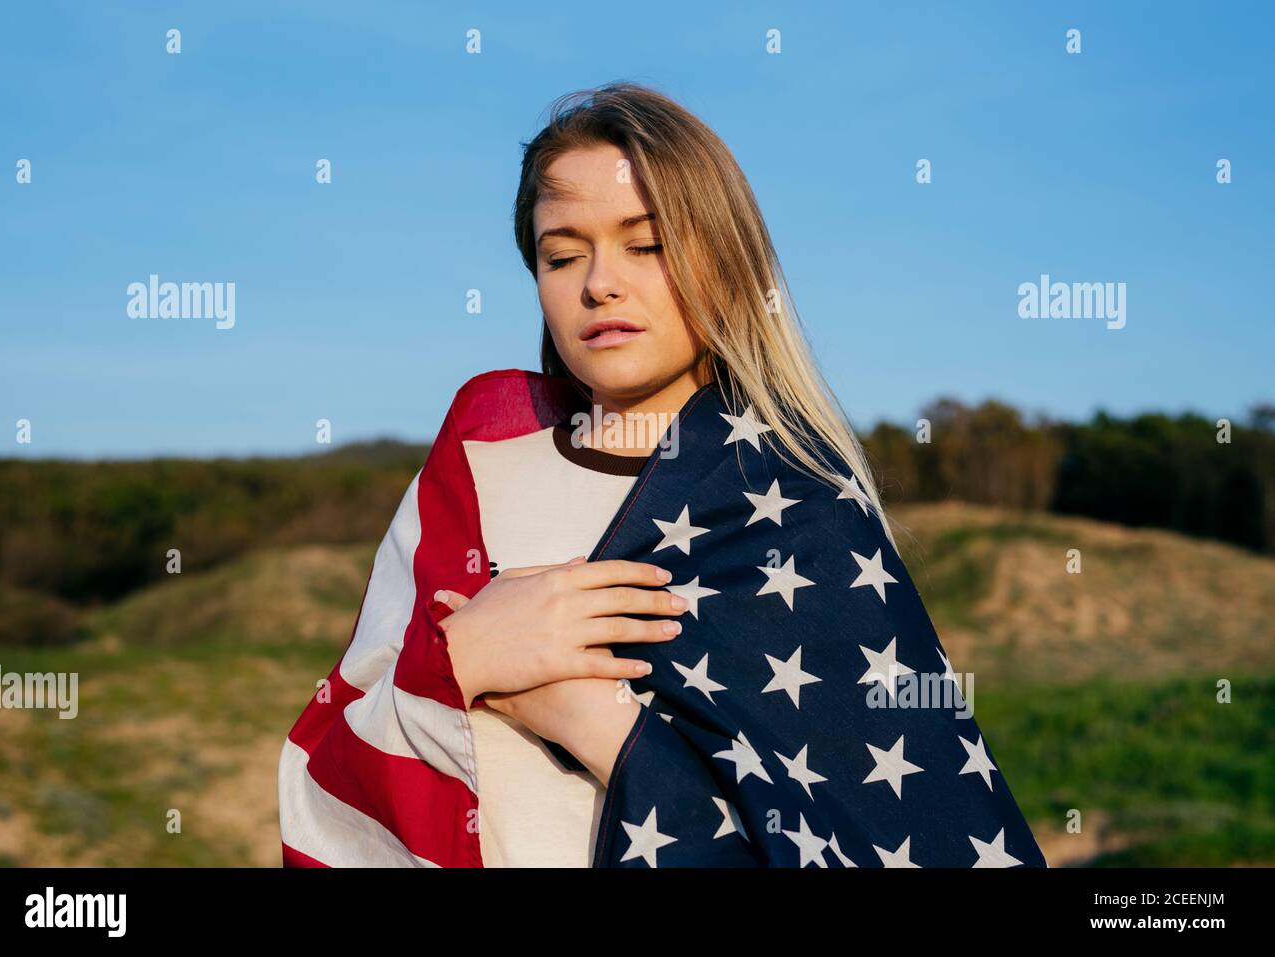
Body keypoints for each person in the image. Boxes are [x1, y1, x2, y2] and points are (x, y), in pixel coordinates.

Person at [278, 81, 1046, 868]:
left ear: (727, 259)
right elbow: (324, 779)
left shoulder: (803, 514)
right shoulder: (475, 472)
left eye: (645, 244)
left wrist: (600, 726)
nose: (599, 282)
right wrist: (462, 659)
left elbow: (892, 844)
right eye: (561, 253)